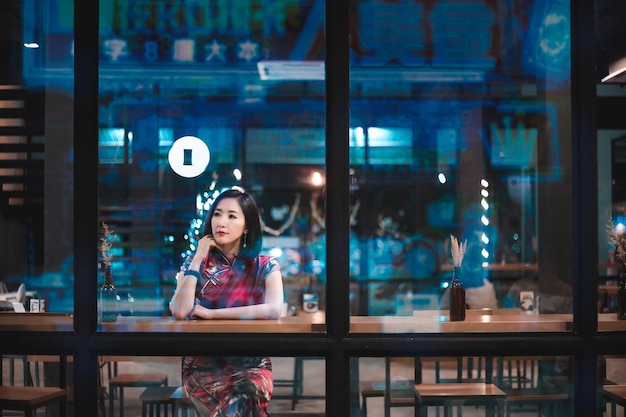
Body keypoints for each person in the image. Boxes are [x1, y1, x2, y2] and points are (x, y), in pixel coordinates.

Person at [169, 188, 284, 417]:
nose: (221, 222)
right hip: (203, 366)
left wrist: (213, 314)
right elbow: (180, 310)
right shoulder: (195, 265)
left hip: (251, 364)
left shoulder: (265, 265)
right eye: (217, 214)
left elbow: (274, 309)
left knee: (244, 394)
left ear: (247, 225)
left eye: (232, 216)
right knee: (238, 403)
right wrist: (198, 258)